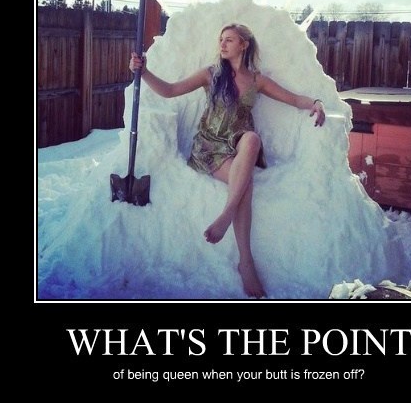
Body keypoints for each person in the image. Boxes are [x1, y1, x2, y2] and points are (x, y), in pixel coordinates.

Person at [129, 23, 326, 298]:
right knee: (244, 184)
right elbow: (170, 90)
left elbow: (293, 99)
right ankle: (246, 262)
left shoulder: (256, 80)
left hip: (239, 144)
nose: (222, 44)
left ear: (244, 45)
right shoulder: (210, 75)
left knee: (252, 139)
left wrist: (315, 103)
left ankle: (226, 215)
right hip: (210, 147)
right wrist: (144, 72)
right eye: (221, 39)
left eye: (229, 40)